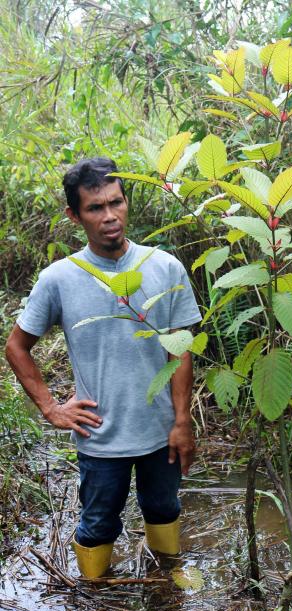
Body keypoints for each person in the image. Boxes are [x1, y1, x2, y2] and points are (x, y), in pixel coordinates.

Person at [5, 157, 202, 578]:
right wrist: (51, 408)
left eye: (116, 202)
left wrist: (182, 420)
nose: (110, 216)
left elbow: (179, 351)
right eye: (95, 208)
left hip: (160, 430)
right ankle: (95, 601)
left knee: (164, 508)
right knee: (98, 525)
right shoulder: (60, 278)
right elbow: (17, 347)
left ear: (127, 202)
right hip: (99, 436)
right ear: (74, 216)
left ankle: (166, 582)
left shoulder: (164, 267)